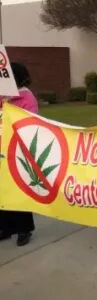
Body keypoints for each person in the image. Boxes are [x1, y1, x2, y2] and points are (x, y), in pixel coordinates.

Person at [0, 63, 39, 246]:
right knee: (2, 190)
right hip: (1, 148)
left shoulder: (26, 97)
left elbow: (30, 122)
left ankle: (24, 229)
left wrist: (9, 108)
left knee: (18, 189)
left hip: (18, 150)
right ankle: (5, 228)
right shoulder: (2, 96)